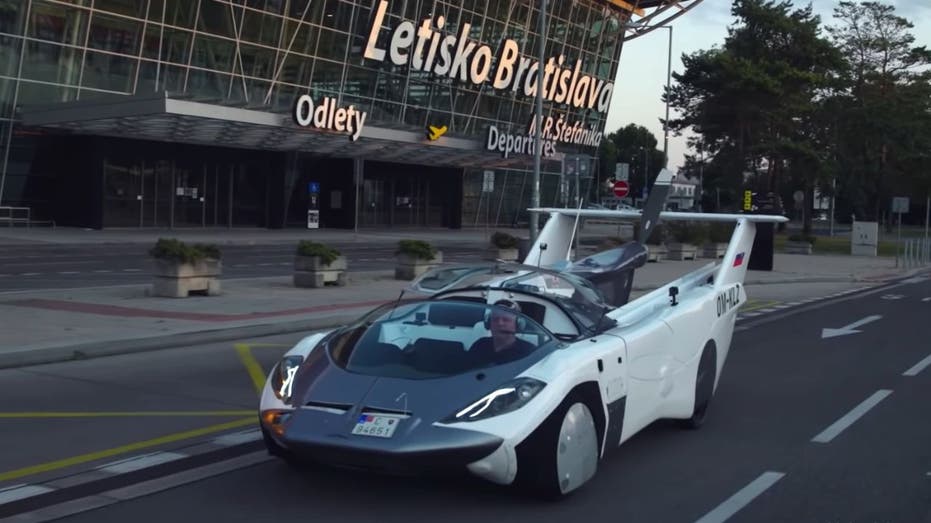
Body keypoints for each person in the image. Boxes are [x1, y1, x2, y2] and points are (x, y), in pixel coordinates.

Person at [469, 299, 536, 364]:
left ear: (518, 324)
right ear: (489, 323)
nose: (500, 323)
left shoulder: (529, 352)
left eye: (506, 320)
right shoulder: (480, 346)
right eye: (495, 319)